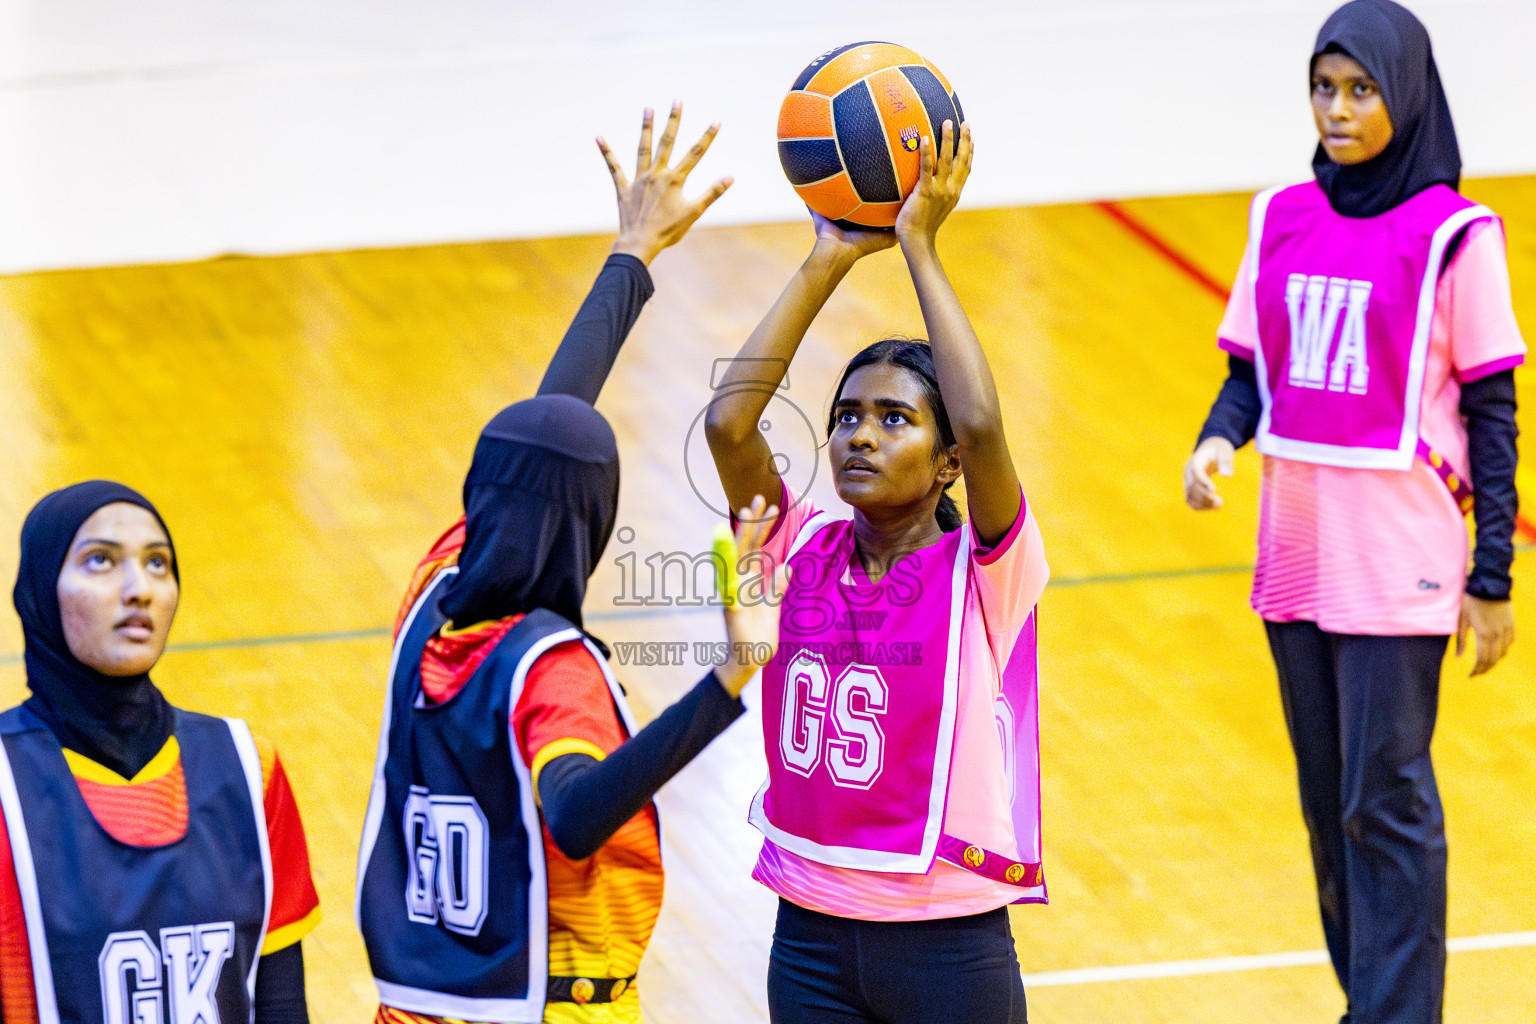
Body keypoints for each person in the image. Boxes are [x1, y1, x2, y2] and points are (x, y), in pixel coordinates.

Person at [356, 104, 786, 1024]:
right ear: (594, 521)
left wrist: (631, 257)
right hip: (552, 1005)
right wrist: (727, 679)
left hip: (419, 1004)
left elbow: (540, 441)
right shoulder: (550, 670)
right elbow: (575, 811)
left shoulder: (430, 603)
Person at [1181, 2, 1524, 1019]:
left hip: (1400, 556)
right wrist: (1215, 437)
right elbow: (1249, 370)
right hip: (1295, 548)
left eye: (1360, 90)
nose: (1338, 109)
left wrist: (1493, 577)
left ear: (1404, 95)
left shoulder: (1458, 235)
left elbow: (1495, 410)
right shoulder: (1279, 213)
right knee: (1333, 808)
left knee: (1388, 800)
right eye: (1324, 89)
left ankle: (1396, 1012)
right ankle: (1366, 997)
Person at [705, 121, 1049, 1024]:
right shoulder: (797, 545)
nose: (861, 433)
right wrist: (827, 257)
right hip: (809, 936)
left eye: (894, 420)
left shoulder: (984, 570)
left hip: (946, 939)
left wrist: (921, 249)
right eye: (849, 415)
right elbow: (729, 429)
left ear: (946, 465)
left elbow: (983, 429)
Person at [0, 481, 321, 1023]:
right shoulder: (8, 782)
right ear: (40, 589)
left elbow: (281, 1003)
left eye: (157, 563)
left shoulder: (248, 768)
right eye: (100, 561)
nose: (138, 589)